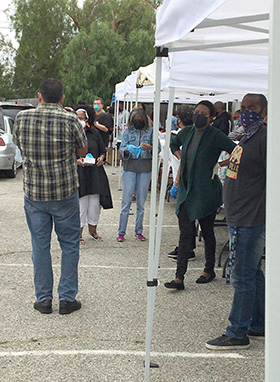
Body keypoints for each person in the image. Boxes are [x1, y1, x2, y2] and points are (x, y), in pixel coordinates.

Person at [13, 78, 88, 315]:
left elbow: (20, 145)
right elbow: (83, 150)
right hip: (64, 191)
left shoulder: (22, 119)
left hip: (35, 192)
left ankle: (43, 299)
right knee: (69, 245)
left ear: (39, 96)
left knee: (40, 245)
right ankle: (67, 298)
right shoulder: (70, 119)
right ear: (62, 98)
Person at [206, 94, 267, 350]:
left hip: (249, 216)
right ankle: (259, 322)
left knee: (241, 275)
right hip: (239, 214)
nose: (246, 112)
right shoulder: (247, 135)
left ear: (264, 110)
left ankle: (238, 331)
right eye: (243, 108)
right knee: (251, 271)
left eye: (252, 107)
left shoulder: (265, 138)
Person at [164, 100, 236, 290]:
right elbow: (173, 143)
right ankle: (179, 277)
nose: (198, 115)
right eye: (196, 111)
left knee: (207, 231)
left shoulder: (215, 135)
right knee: (185, 234)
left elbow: (237, 152)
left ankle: (208, 269)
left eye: (203, 113)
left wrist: (220, 165)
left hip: (206, 192)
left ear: (212, 117)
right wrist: (181, 157)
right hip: (187, 192)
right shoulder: (187, 132)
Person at [116, 107, 161, 242]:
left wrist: (151, 148)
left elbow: (158, 148)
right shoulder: (127, 132)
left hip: (145, 168)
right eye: (135, 120)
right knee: (126, 201)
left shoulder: (151, 131)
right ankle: (121, 232)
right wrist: (126, 152)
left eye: (140, 119)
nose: (137, 122)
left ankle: (138, 230)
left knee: (141, 202)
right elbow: (122, 148)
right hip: (130, 167)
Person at [76, 108, 113, 243]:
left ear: (87, 119)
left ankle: (93, 231)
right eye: (78, 118)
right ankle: (78, 234)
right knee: (81, 204)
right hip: (80, 173)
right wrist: (77, 160)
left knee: (94, 205)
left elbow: (102, 150)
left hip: (95, 172)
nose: (81, 121)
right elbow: (68, 153)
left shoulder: (94, 133)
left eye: (82, 118)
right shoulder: (72, 135)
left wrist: (101, 157)